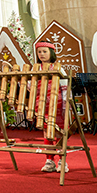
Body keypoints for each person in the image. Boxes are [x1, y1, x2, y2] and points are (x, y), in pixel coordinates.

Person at [35, 41, 67, 173]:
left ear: (51, 53)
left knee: (59, 133)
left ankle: (62, 161)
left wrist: (65, 105)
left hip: (57, 105)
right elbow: (32, 88)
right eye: (39, 52)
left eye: (45, 51)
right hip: (42, 105)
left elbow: (65, 88)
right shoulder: (36, 68)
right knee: (47, 134)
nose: (42, 54)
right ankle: (49, 160)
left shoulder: (59, 68)